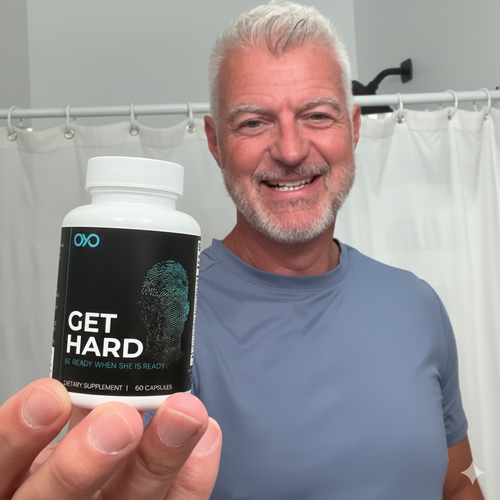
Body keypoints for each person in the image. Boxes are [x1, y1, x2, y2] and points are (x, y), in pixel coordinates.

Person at [0, 2, 484, 499]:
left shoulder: (416, 304)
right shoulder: (166, 315)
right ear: (215, 142)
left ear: (354, 128)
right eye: (254, 123)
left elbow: (458, 487)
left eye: (318, 115)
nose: (291, 150)